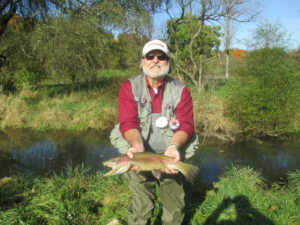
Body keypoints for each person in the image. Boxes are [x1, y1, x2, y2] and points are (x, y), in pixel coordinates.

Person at [110, 39, 198, 225]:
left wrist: (174, 146)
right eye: (150, 56)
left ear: (168, 61)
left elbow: (187, 125)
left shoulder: (181, 90)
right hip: (139, 153)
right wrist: (136, 146)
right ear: (142, 61)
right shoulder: (130, 87)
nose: (155, 60)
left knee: (174, 207)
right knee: (142, 206)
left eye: (161, 56)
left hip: (170, 157)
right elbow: (128, 121)